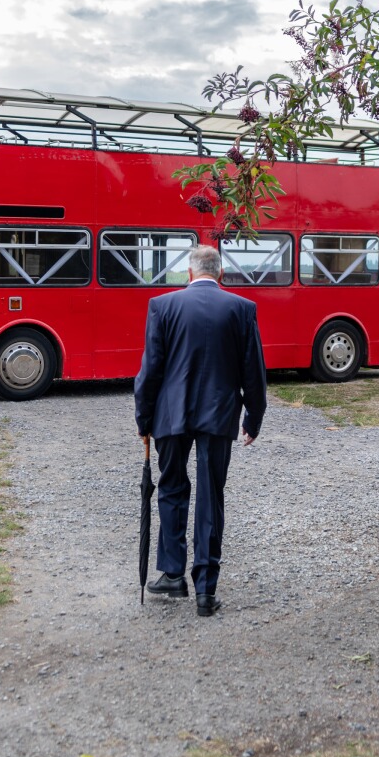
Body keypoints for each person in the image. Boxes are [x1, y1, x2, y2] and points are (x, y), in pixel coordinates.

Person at [134, 244, 267, 616]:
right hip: (218, 416)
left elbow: (151, 371)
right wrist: (253, 419)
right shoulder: (242, 309)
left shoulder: (163, 305)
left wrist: (143, 420)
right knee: (211, 496)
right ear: (220, 275)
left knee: (172, 489)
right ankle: (206, 591)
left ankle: (173, 574)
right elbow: (253, 372)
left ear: (189, 274)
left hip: (170, 416)